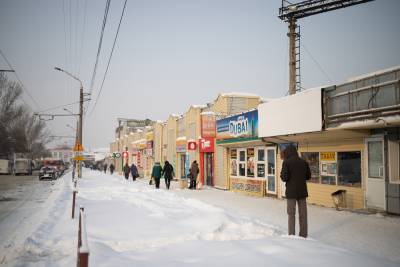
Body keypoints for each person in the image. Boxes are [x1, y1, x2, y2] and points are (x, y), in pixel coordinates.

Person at [280, 145, 311, 238]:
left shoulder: (286, 162)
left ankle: (292, 235)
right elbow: (308, 176)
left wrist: (283, 174)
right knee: (303, 215)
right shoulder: (304, 162)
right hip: (302, 192)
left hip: (291, 193)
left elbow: (284, 178)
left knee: (291, 214)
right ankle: (303, 235)